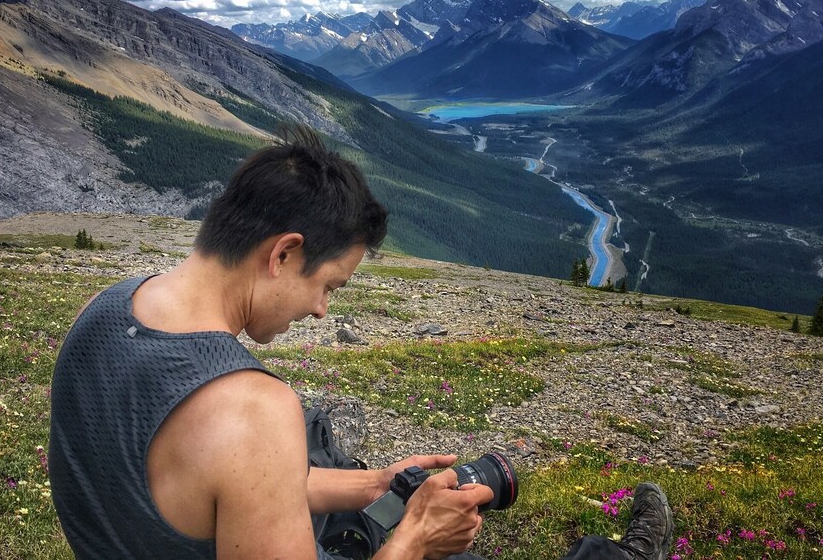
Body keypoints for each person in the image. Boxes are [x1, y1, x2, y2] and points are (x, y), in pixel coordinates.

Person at [47, 124, 674, 559]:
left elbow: (220, 487)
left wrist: (376, 484)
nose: (322, 310)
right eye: (328, 285)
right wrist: (414, 539)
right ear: (285, 253)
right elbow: (243, 460)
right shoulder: (248, 412)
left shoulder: (101, 310)